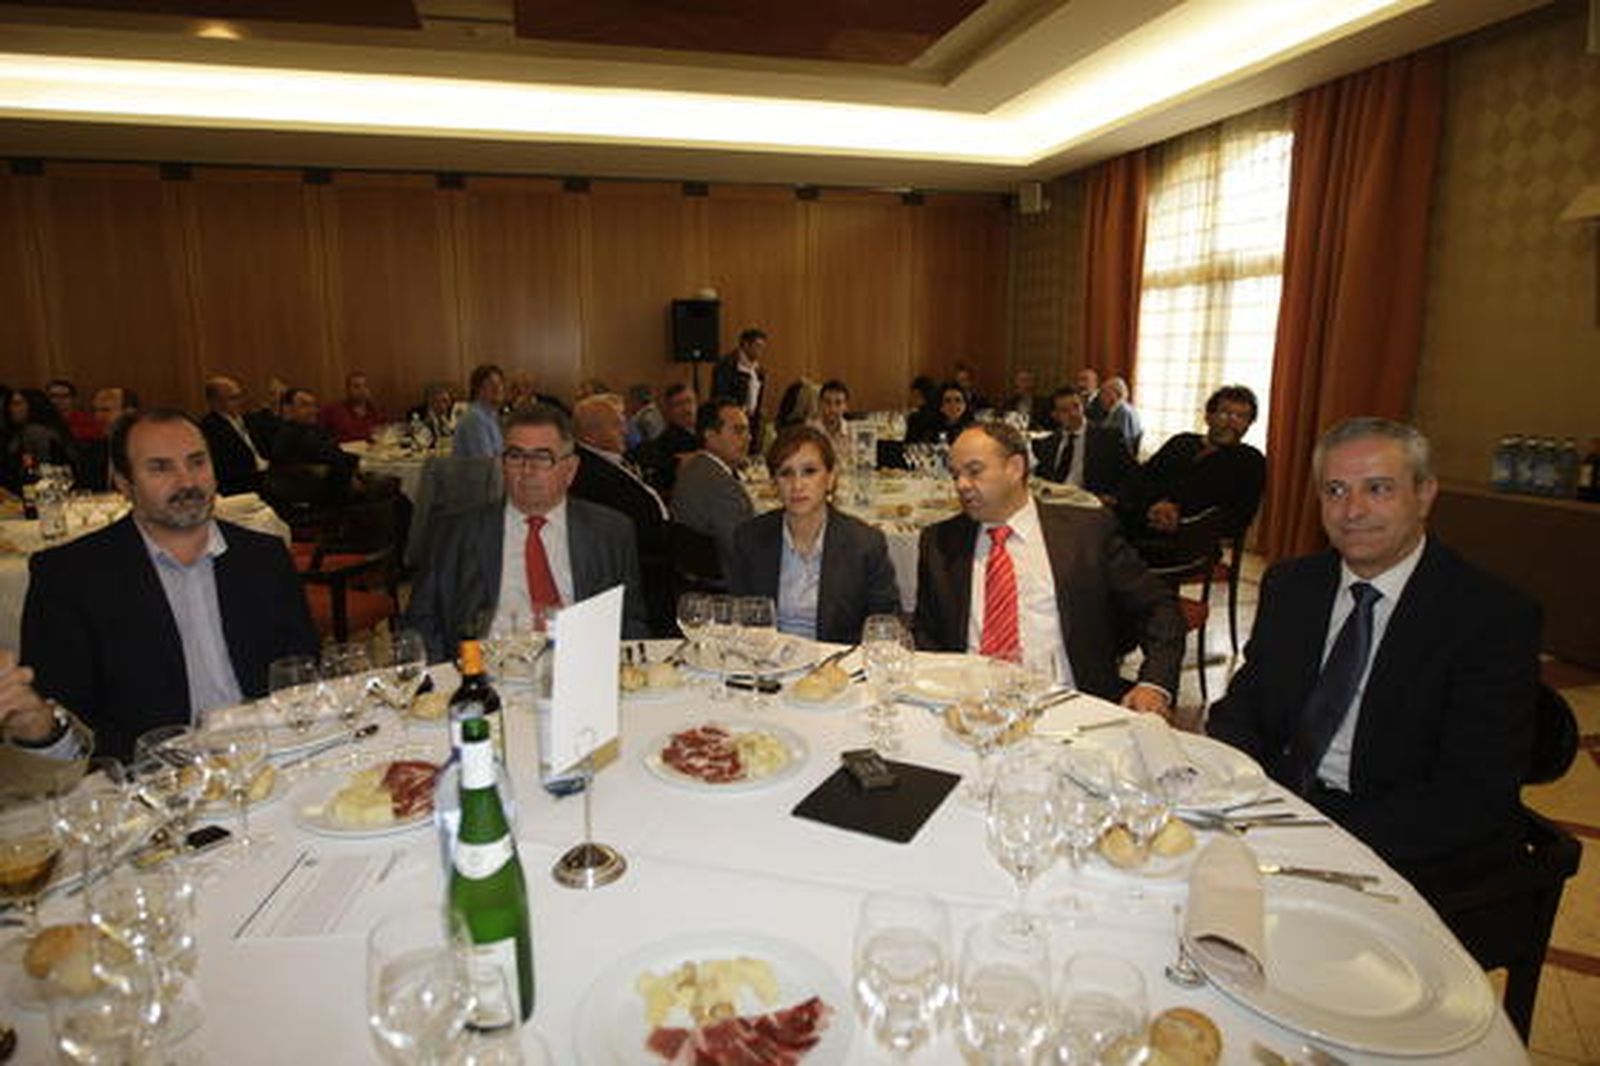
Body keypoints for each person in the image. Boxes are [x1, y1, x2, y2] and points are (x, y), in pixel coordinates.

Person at [1206, 418, 1540, 901]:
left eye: (1378, 489)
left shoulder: (1491, 616)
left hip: (1411, 845)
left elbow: (1471, 793)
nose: (1352, 511)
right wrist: (1247, 796)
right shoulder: (1292, 585)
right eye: (1335, 490)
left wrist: (1316, 841)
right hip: (1281, 807)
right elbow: (1243, 707)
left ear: (1425, 494)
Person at [20, 409, 318, 760]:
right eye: (160, 468)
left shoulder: (262, 557)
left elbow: (301, 673)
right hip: (151, 780)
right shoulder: (71, 576)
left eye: (197, 462)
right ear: (123, 482)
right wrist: (36, 725)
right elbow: (64, 720)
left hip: (272, 758)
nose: (187, 482)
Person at [912, 422, 1183, 714]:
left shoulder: (1086, 532)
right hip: (969, 709)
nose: (961, 485)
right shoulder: (940, 542)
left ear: (1015, 468)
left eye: (974, 471)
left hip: (1068, 703)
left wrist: (1154, 684)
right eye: (956, 475)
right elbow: (928, 635)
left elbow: (1158, 606)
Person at [405, 405, 648, 661]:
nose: (527, 469)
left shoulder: (610, 532)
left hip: (580, 668)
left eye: (542, 457)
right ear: (502, 464)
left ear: (571, 469)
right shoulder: (455, 532)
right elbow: (420, 624)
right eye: (515, 456)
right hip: (487, 674)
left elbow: (629, 622)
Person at [728, 426, 899, 644]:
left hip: (837, 667)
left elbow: (886, 624)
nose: (797, 485)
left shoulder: (865, 544)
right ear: (774, 484)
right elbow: (738, 620)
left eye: (809, 471)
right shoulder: (749, 538)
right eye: (786, 473)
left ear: (830, 478)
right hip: (767, 665)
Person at [1118, 385, 1266, 554]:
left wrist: (1181, 521)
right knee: (1099, 528)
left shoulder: (1251, 461)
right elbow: (1144, 476)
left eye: (1241, 416)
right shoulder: (1181, 442)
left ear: (1248, 424)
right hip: (1144, 518)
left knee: (1118, 552)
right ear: (1208, 417)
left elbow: (1239, 516)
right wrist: (1152, 506)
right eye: (1225, 413)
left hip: (1192, 538)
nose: (1231, 421)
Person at [570, 393, 672, 634]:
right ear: (590, 434)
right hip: (638, 572)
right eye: (617, 424)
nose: (626, 430)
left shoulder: (606, 460)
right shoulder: (588, 473)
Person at [669, 400, 754, 579]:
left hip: (693, 574)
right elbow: (744, 552)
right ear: (710, 435)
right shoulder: (722, 486)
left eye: (747, 430)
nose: (749, 438)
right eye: (739, 430)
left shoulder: (693, 466)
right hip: (724, 582)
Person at [1032, 387, 1134, 498]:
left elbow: (1131, 474)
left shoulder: (1108, 438)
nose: (1073, 414)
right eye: (1065, 410)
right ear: (1055, 415)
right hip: (1053, 501)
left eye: (1076, 406)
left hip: (1089, 501)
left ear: (1083, 406)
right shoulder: (1048, 443)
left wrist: (1114, 498)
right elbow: (1041, 479)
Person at [271, 387, 361, 493]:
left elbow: (335, 452)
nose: (313, 410)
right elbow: (329, 457)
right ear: (288, 409)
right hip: (320, 494)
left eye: (314, 405)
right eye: (305, 405)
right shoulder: (292, 432)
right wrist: (351, 475)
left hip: (338, 483)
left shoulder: (312, 428)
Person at [199, 375, 270, 496]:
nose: (241, 402)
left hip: (265, 474)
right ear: (215, 402)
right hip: (241, 483)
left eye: (240, 396)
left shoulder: (249, 419)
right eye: (233, 398)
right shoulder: (209, 428)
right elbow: (225, 469)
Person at [2, 387, 72, 492]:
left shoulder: (36, 433)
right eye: (10, 404)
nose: (10, 409)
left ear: (32, 405)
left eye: (17, 404)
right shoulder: (21, 432)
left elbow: (41, 472)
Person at [635, 383, 699, 496]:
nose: (686, 409)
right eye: (678, 404)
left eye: (689, 401)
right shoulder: (664, 444)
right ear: (667, 411)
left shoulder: (707, 435)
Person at [712, 327, 766, 452]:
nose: (760, 351)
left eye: (762, 347)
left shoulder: (759, 371)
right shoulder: (726, 366)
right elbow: (719, 396)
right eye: (757, 346)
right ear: (746, 345)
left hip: (752, 421)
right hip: (731, 419)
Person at [454, 364, 507, 460]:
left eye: (500, 383)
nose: (498, 388)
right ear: (478, 389)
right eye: (491, 384)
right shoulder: (474, 418)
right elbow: (486, 462)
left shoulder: (491, 416)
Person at [319, 371, 386, 443]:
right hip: (343, 451)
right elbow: (320, 435)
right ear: (347, 390)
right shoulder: (333, 410)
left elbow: (385, 435)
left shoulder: (377, 412)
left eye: (365, 386)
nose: (362, 390)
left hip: (370, 451)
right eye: (356, 386)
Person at [907, 383, 972, 446]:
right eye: (948, 401)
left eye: (958, 400)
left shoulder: (972, 430)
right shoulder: (930, 429)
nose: (953, 405)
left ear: (965, 405)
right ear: (941, 407)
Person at [1097, 376, 1142, 456]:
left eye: (1104, 393)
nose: (1100, 398)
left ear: (1115, 394)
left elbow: (1120, 443)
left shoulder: (1123, 412)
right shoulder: (1127, 409)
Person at [817, 379, 852, 460]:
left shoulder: (854, 432)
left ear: (846, 406)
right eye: (827, 402)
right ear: (820, 404)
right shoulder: (810, 431)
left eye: (838, 403)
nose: (832, 409)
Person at [903, 376, 942, 446]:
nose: (912, 399)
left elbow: (908, 444)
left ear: (926, 396)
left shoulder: (918, 418)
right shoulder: (939, 413)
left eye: (916, 396)